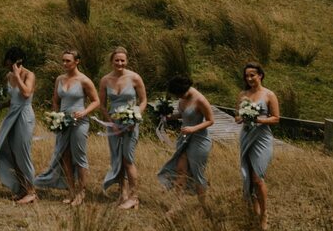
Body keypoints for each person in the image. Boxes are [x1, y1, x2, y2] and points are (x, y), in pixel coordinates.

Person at [33, 49, 100, 205]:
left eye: (68, 61)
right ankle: (70, 191)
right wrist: (56, 116)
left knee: (79, 156)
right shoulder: (59, 79)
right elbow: (55, 99)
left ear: (77, 61)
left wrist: (84, 112)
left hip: (79, 122)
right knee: (65, 156)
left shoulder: (84, 80)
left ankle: (82, 192)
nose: (64, 63)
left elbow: (96, 101)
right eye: (63, 60)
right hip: (63, 122)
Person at [100, 47, 147, 209]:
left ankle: (134, 196)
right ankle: (123, 194)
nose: (119, 63)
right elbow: (102, 105)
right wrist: (110, 123)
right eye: (116, 60)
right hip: (113, 124)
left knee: (128, 159)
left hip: (130, 124)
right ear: (112, 61)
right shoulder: (105, 80)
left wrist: (134, 116)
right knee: (117, 159)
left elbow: (143, 101)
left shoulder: (134, 78)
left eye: (122, 60)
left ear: (126, 61)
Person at [157, 74, 214, 210]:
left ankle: (203, 206)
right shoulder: (183, 98)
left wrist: (194, 128)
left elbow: (211, 120)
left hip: (199, 140)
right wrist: (170, 117)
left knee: (197, 173)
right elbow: (184, 114)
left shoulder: (200, 99)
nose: (178, 97)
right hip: (184, 139)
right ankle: (178, 204)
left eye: (178, 94)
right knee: (180, 170)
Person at [0, 46, 38, 204]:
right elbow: (14, 98)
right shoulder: (8, 76)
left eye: (10, 63)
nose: (8, 66)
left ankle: (32, 191)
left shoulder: (29, 75)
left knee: (23, 152)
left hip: (24, 115)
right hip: (11, 114)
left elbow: (26, 93)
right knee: (10, 151)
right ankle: (21, 188)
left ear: (17, 62)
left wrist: (18, 76)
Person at [236, 62, 279, 226]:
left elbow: (276, 118)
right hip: (246, 136)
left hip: (262, 137)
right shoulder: (243, 94)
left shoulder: (269, 95)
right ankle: (254, 212)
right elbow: (236, 116)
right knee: (248, 177)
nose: (249, 79)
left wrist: (258, 119)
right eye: (246, 76)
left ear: (260, 75)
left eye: (252, 75)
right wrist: (243, 117)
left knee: (257, 178)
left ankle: (264, 214)